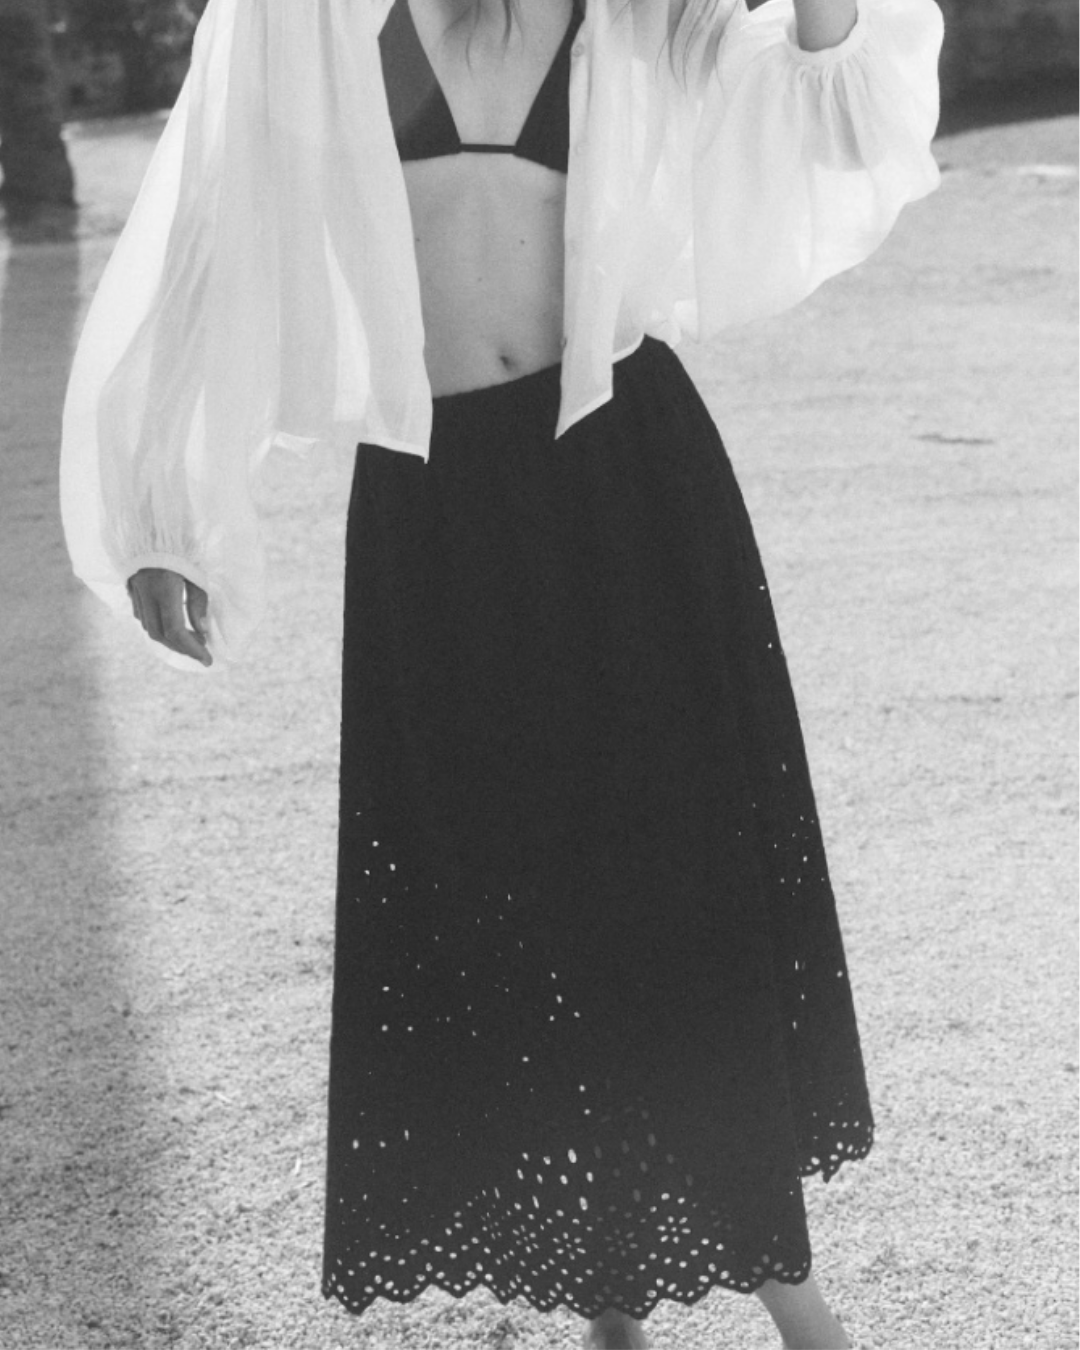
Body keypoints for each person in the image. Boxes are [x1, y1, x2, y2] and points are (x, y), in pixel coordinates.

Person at [60, 0, 944, 1346]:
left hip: (627, 488)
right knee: (510, 901)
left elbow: (832, 111)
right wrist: (163, 515)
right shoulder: (302, 20)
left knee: (679, 895)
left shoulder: (647, 10)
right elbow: (212, 224)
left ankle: (800, 1309)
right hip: (438, 516)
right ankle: (610, 1313)